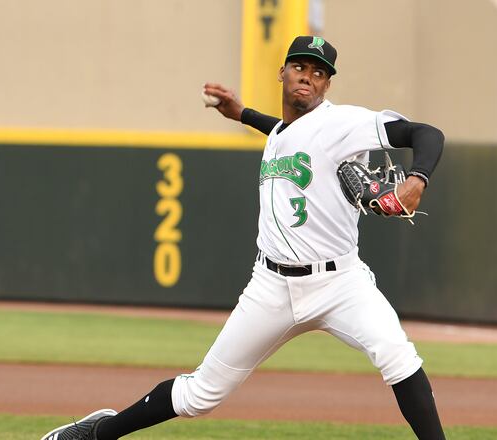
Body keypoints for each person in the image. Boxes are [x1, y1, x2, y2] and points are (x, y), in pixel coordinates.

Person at [40, 35, 446, 440]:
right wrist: (242, 114)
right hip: (271, 286)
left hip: (340, 282)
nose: (308, 77)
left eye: (319, 73)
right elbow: (284, 132)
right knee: (199, 395)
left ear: (327, 85)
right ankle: (97, 434)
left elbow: (426, 133)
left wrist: (416, 179)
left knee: (397, 356)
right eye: (300, 67)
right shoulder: (283, 135)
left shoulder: (342, 124)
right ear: (282, 72)